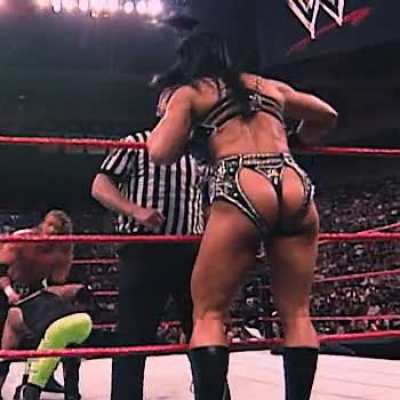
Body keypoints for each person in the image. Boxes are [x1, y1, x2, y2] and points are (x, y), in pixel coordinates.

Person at [147, 32, 338, 400]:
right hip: (292, 178)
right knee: (298, 314)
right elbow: (327, 115)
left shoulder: (191, 92)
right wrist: (297, 140)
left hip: (241, 180)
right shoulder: (268, 86)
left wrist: (170, 113)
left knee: (208, 313)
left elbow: (160, 152)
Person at [91, 129, 210, 400]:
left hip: (191, 249)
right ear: (160, 109)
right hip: (144, 248)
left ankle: (213, 394)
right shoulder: (136, 143)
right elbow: (100, 185)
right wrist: (136, 210)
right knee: (133, 335)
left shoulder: (199, 152)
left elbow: (205, 200)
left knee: (203, 329)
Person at [0, 210, 86, 400]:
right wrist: (9, 292)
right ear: (42, 224)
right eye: (50, 225)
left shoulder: (62, 250)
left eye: (58, 230)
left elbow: (56, 284)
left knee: (49, 327)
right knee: (7, 339)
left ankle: (41, 380)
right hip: (5, 285)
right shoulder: (23, 239)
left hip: (34, 289)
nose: (52, 231)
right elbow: (0, 269)